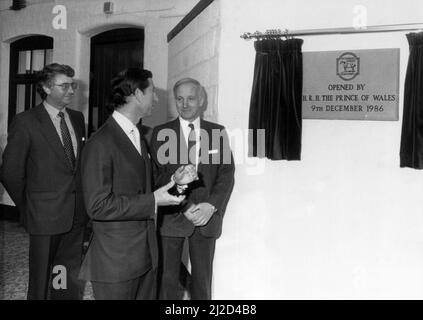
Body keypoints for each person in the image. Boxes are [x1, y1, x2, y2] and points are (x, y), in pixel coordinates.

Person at [79, 68, 197, 300]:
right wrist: (153, 200)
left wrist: (177, 182)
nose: (156, 97)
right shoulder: (100, 142)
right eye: (152, 92)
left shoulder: (137, 136)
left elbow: (149, 186)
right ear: (136, 94)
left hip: (145, 255)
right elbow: (97, 205)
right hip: (116, 263)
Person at [0, 63, 88, 300]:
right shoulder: (26, 121)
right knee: (40, 281)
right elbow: (10, 172)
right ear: (46, 88)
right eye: (65, 85)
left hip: (75, 214)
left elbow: (76, 167)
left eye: (73, 85)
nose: (71, 90)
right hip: (43, 216)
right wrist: (29, 206)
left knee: (68, 275)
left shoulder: (78, 119)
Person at [151, 78, 235, 300]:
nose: (184, 104)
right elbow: (156, 176)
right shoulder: (160, 133)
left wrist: (211, 205)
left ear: (201, 100)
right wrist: (184, 204)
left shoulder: (217, 132)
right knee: (166, 281)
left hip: (205, 218)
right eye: (179, 99)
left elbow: (226, 175)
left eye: (190, 98)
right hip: (171, 217)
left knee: (202, 282)